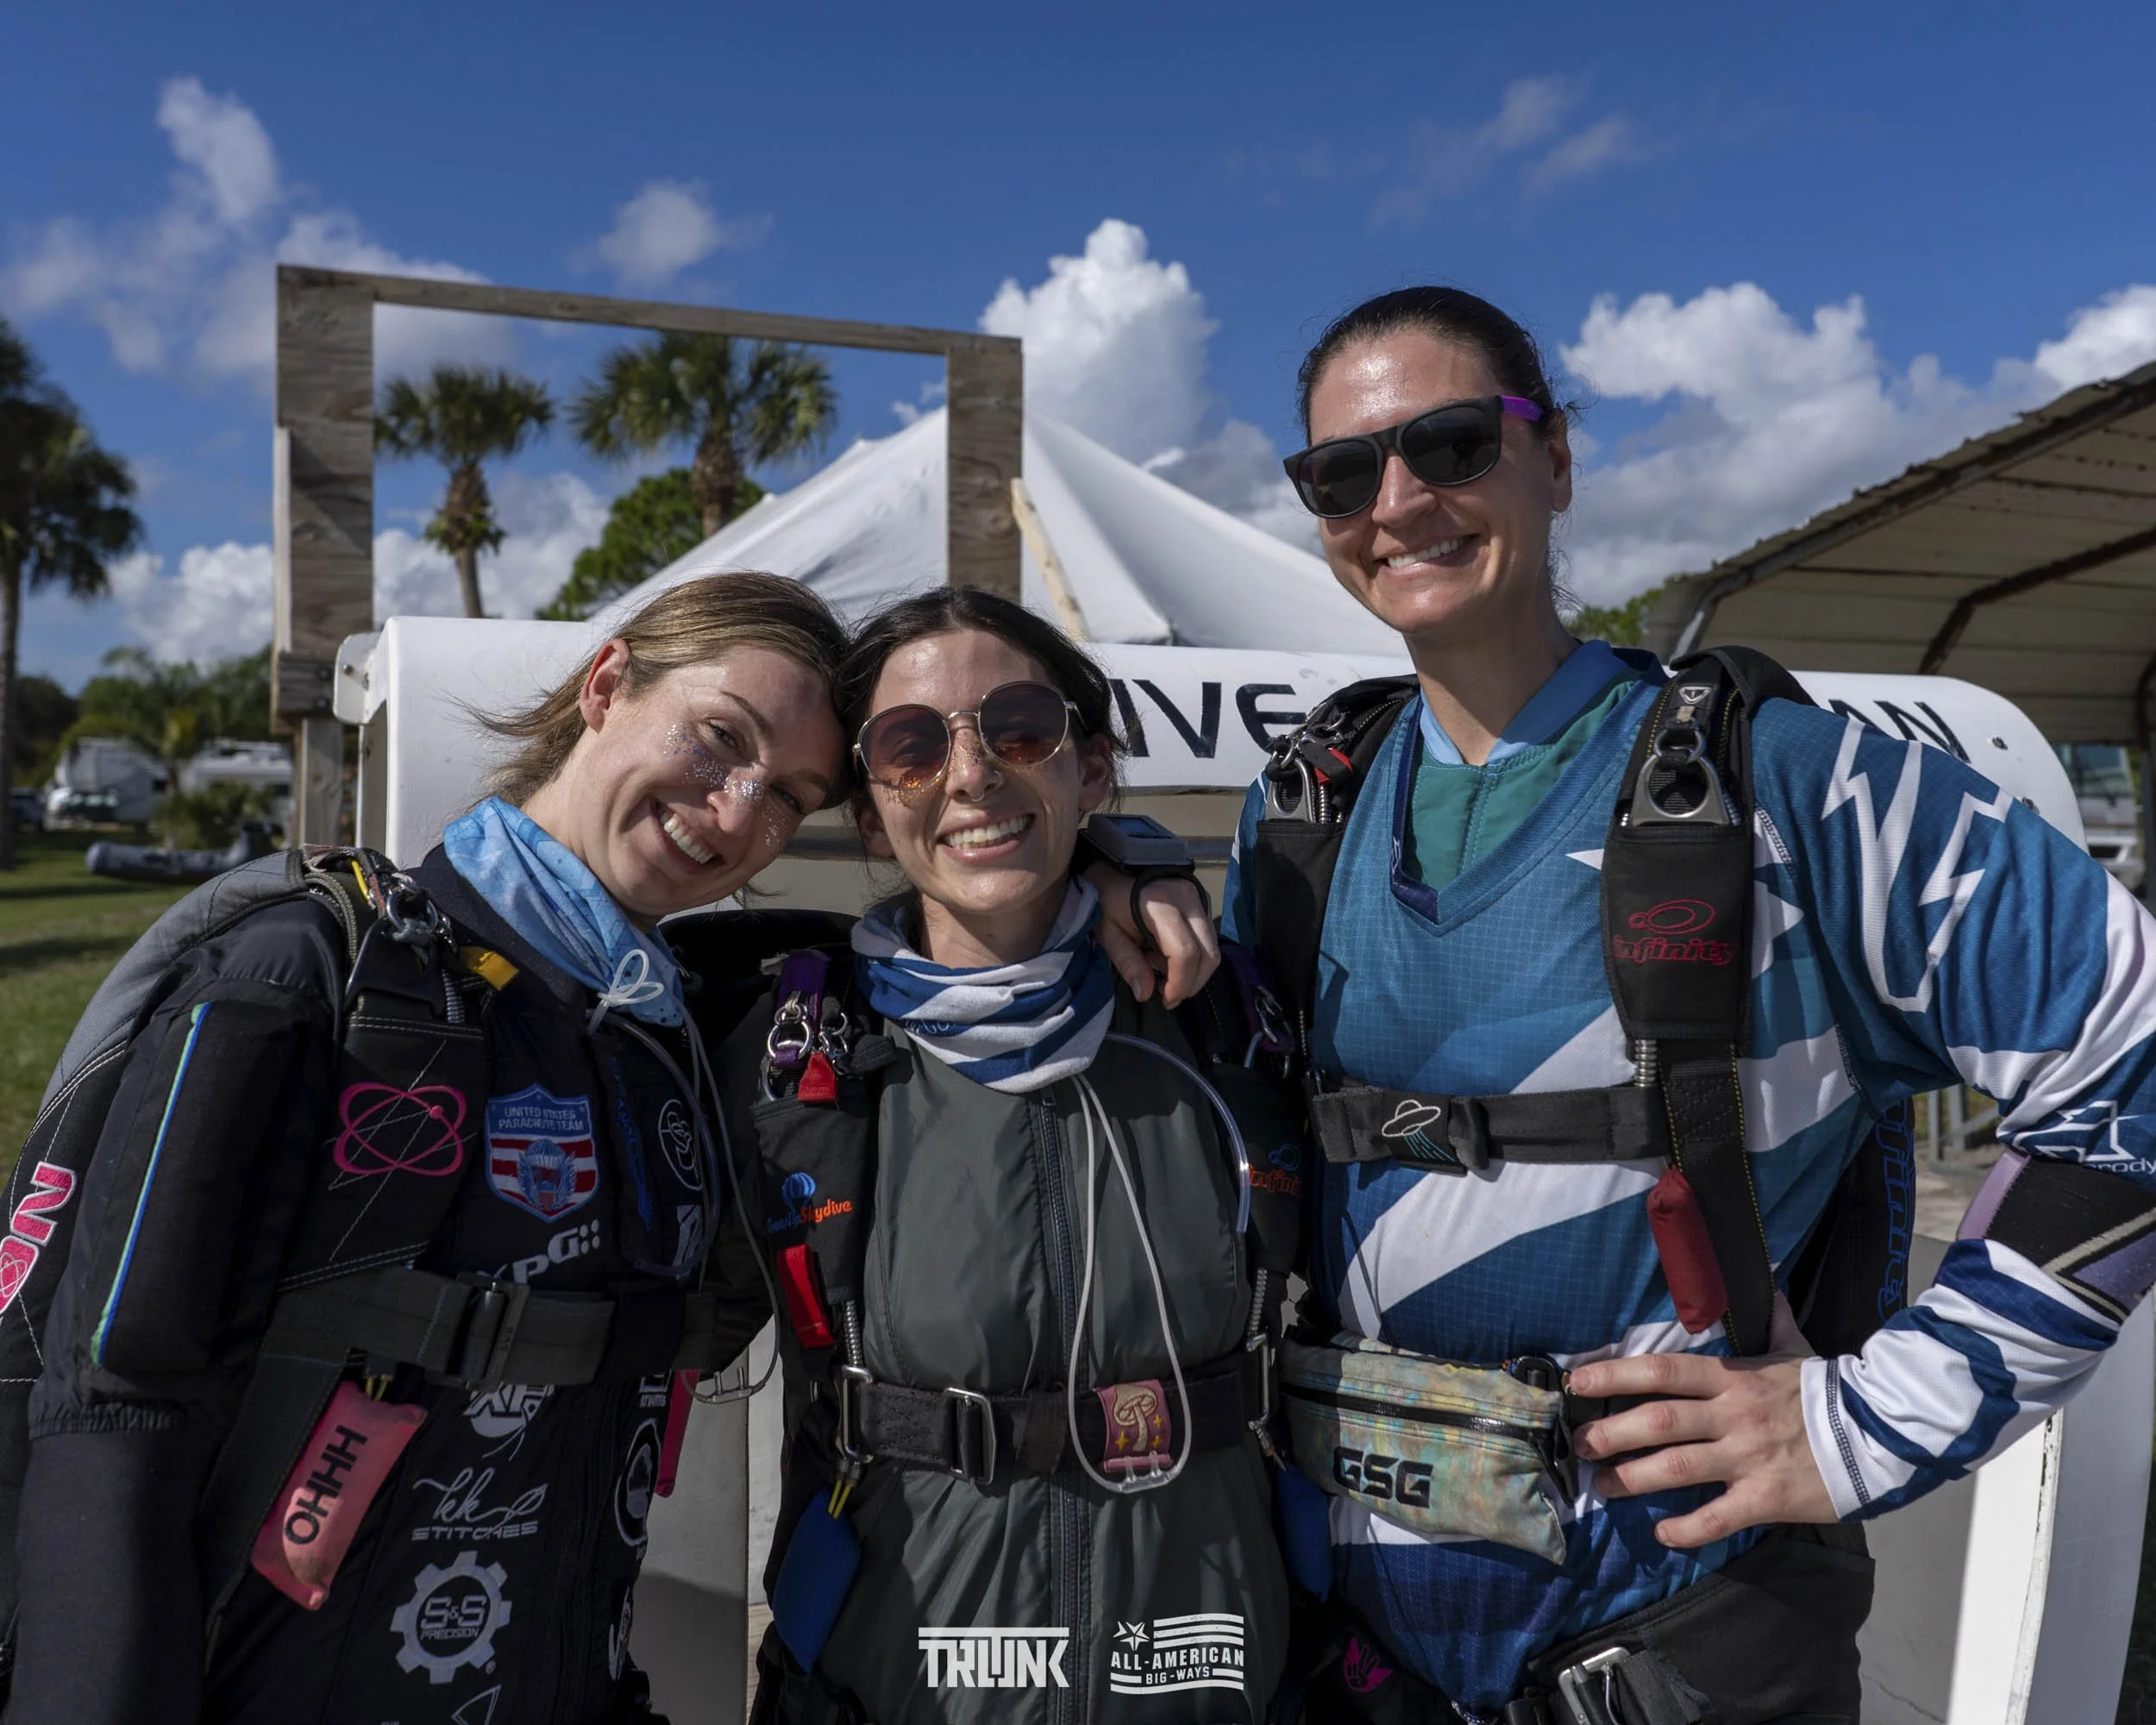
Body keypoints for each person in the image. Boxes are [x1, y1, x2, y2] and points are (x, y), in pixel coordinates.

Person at [1221, 286, 2156, 1722]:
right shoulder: (1302, 818)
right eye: (1343, 474)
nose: (1398, 500)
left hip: (1687, 1648)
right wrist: (1105, 865)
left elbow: (2133, 1051)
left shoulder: (1781, 780)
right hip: (1362, 1658)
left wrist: (1863, 1427)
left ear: (1558, 460)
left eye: (1455, 443)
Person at [9, 572, 849, 1724]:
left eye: (793, 795)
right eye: (719, 738)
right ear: (607, 686)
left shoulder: (672, 1032)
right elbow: (113, 1412)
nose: (741, 809)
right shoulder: (317, 978)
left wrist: (1117, 867)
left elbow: (935, 956)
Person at [728, 587, 1294, 1725]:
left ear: (1092, 769)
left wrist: (1140, 861)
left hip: (1208, 1679)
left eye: (1021, 729)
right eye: (911, 744)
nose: (974, 774)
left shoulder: (1233, 1022)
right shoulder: (789, 1057)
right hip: (900, 1686)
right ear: (874, 809)